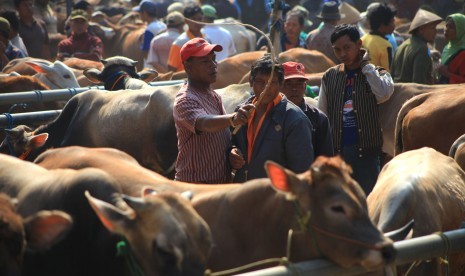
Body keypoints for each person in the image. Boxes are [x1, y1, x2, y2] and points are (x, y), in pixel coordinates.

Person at [318, 24, 394, 195]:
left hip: (366, 154)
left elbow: (383, 94)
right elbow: (322, 113)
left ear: (359, 45)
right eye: (337, 50)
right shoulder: (329, 76)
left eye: (347, 47)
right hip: (338, 154)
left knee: (369, 201)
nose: (342, 54)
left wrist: (366, 66)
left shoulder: (376, 73)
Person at [173, 37, 253, 183]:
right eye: (205, 62)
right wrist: (233, 119)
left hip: (219, 183)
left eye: (213, 59)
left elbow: (223, 135)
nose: (213, 65)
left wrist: (232, 151)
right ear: (187, 67)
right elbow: (204, 123)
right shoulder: (185, 99)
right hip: (195, 185)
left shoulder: (214, 96)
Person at [229, 54, 314, 182]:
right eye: (260, 82)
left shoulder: (295, 120)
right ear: (251, 82)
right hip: (244, 193)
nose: (265, 88)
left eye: (272, 82)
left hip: (274, 196)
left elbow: (301, 171)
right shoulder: (241, 112)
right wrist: (232, 152)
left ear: (281, 85)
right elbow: (231, 143)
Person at [281, 61, 334, 158]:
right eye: (288, 84)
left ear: (305, 86)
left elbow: (325, 157)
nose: (294, 89)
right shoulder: (271, 115)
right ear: (279, 87)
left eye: (299, 84)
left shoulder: (319, 119)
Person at [390, 9, 443, 84]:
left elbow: (391, 75)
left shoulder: (401, 46)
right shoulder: (422, 49)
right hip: (412, 94)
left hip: (398, 92)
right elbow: (419, 84)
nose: (435, 31)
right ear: (421, 29)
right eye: (432, 28)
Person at [167, 4, 204, 72]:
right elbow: (171, 71)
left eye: (199, 19)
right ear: (186, 21)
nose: (197, 22)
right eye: (193, 19)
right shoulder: (180, 43)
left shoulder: (207, 38)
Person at [361, 3, 396, 72]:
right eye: (392, 22)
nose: (394, 25)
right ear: (382, 25)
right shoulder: (385, 45)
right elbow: (388, 73)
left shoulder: (362, 39)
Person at [134, 0, 167, 66]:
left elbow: (146, 52)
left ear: (145, 13)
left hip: (152, 69)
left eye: (140, 12)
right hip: (165, 64)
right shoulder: (163, 25)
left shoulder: (149, 29)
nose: (139, 14)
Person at [437, 13, 465, 84]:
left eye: (451, 27)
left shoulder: (463, 53)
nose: (446, 29)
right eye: (446, 26)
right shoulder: (447, 47)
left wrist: (446, 74)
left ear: (460, 30)